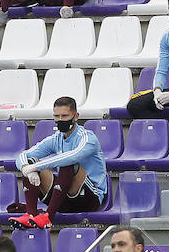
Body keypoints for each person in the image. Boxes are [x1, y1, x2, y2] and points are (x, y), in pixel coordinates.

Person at [9, 96, 108, 230]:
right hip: (63, 198)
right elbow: (22, 156)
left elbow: (72, 157)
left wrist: (36, 166)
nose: (60, 120)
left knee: (67, 162)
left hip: (90, 198)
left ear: (76, 116)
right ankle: (31, 215)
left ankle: (48, 217)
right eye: (57, 116)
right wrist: (27, 167)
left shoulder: (88, 138)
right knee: (30, 161)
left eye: (64, 116)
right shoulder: (56, 138)